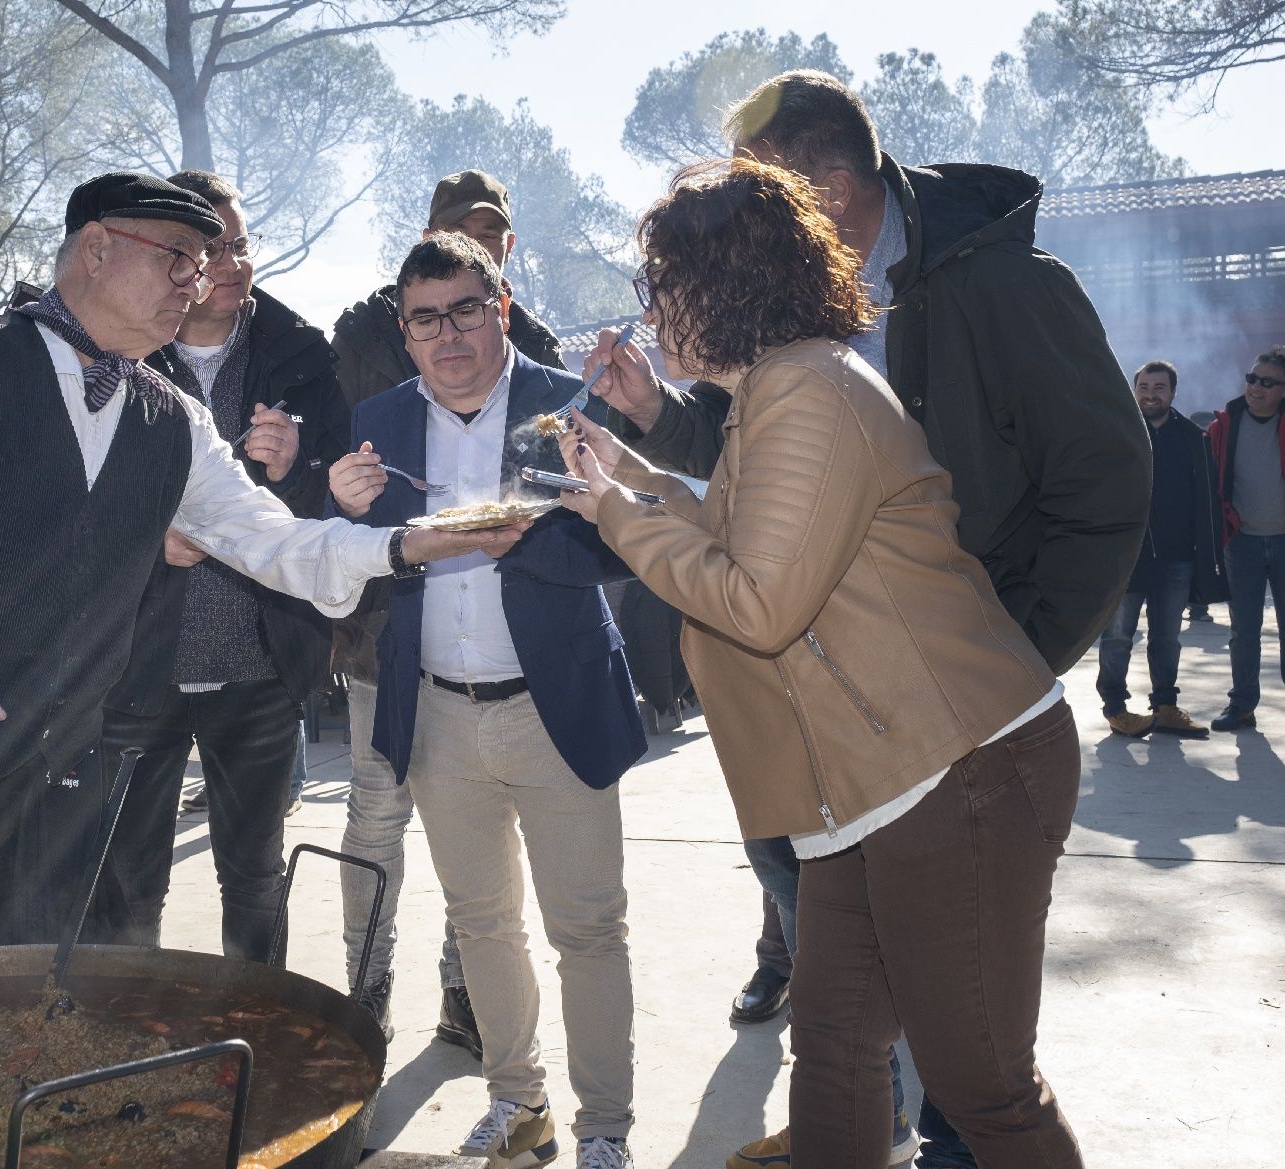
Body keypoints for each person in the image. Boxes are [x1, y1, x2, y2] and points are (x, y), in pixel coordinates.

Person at [582, 71, 1148, 1169]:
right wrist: (633, 476)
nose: (650, 317)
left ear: (723, 289)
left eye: (664, 289)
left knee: (981, 1091)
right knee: (836, 1051)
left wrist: (617, 515)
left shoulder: (808, 389)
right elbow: (740, 526)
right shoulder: (773, 390)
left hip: (951, 763)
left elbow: (755, 599)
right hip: (868, 773)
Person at [0, 173, 500, 965]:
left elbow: (272, 541)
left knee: (29, 1006)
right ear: (96, 248)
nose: (194, 282)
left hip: (43, 772)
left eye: (201, 264)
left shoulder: (171, 418)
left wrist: (403, 546)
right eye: (178, 259)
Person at [328, 232, 642, 1169]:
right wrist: (345, 507)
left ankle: (605, 1128)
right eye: (426, 318)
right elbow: (362, 560)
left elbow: (623, 545)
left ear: (499, 308)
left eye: (466, 309)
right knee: (481, 922)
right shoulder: (378, 418)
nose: (448, 334)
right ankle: (520, 1101)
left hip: (555, 706)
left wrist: (522, 541)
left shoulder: (562, 404)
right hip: (438, 713)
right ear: (406, 330)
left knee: (588, 927)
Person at [330, 168, 567, 1057]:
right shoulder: (361, 331)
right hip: (386, 631)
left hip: (503, 633)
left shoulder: (533, 345)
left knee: (481, 833)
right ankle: (365, 986)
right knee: (377, 812)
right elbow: (338, 457)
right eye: (462, 229)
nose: (484, 241)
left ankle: (468, 987)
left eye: (495, 233)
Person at [96, 170, 348, 961]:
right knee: (132, 882)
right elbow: (75, 502)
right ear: (174, 260)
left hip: (259, 665)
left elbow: (339, 509)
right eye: (210, 249)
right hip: (140, 669)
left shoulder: (301, 354)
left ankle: (256, 1050)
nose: (233, 264)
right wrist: (148, 531)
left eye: (241, 243)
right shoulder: (110, 353)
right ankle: (139, 1052)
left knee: (256, 877)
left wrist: (297, 471)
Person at [1097, 360, 1226, 737]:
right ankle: (1116, 708)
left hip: (1176, 558)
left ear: (1172, 392)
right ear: (1133, 390)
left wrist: (1208, 556)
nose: (1151, 394)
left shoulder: (1191, 437)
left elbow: (1206, 500)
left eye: (1160, 387)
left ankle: (1166, 706)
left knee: (1167, 636)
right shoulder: (1117, 434)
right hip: (1128, 556)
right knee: (1118, 636)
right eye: (1145, 386)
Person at [1206, 346, 1285, 730]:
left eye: (1267, 382)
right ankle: (1242, 705)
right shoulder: (1225, 424)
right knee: (1243, 631)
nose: (1256, 387)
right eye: (1252, 378)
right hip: (1242, 543)